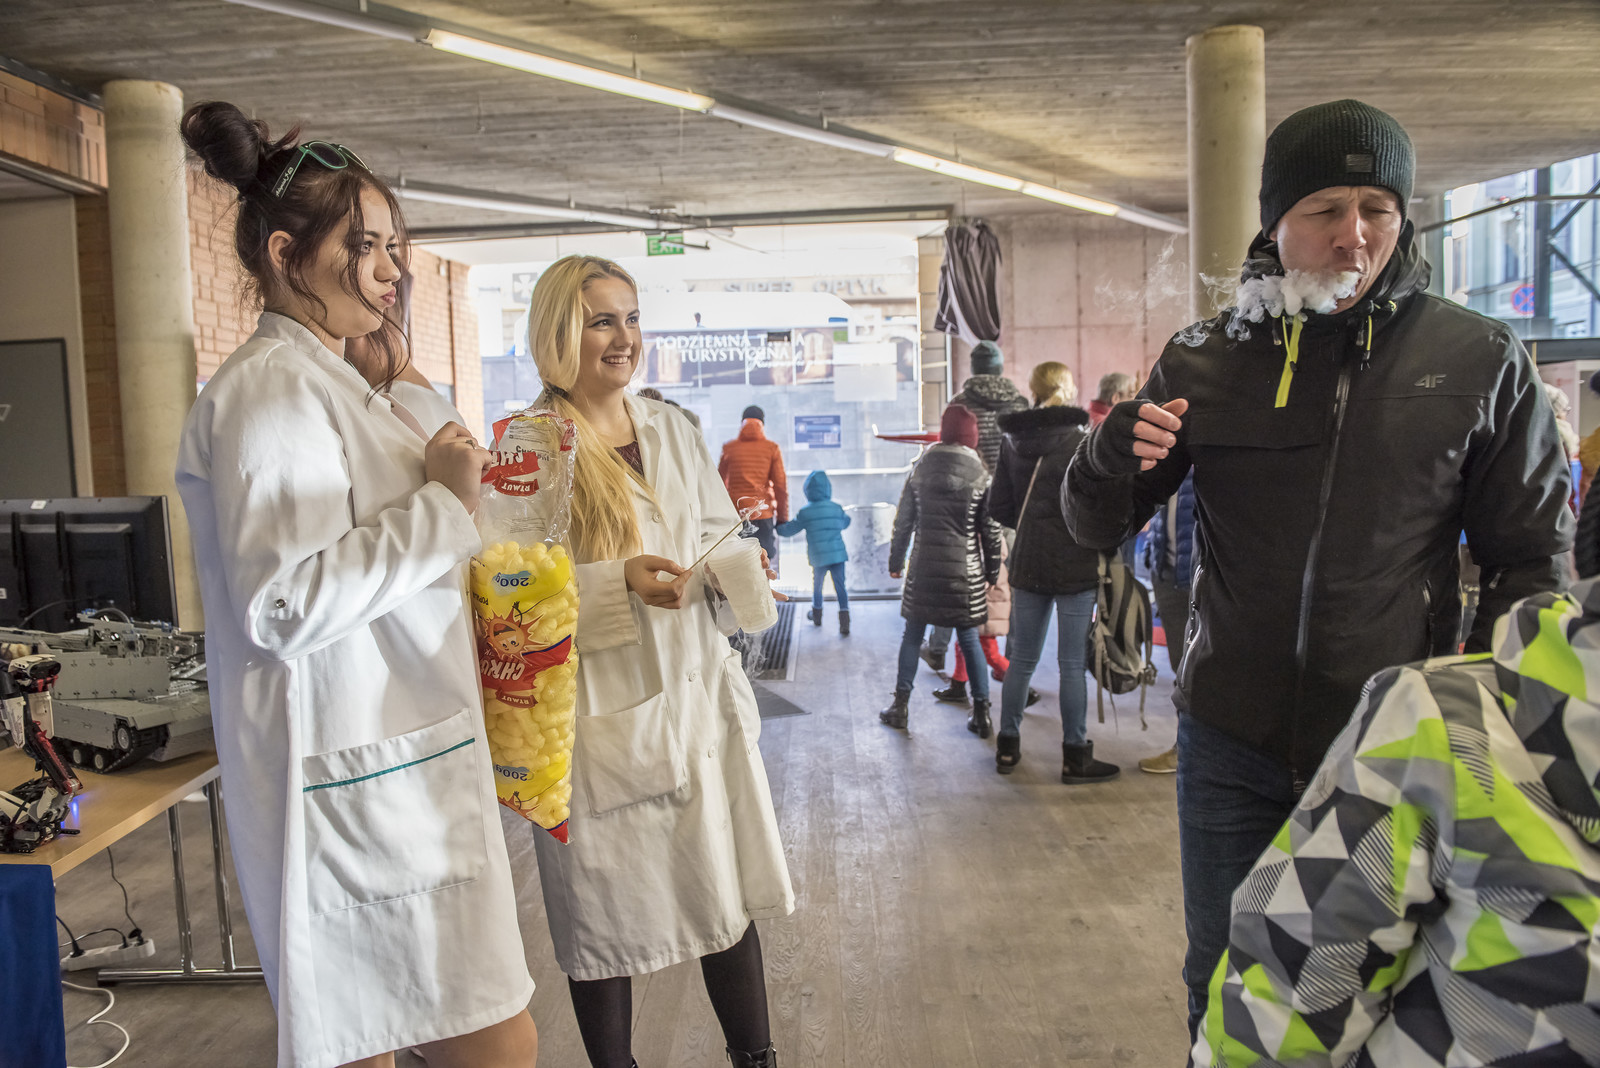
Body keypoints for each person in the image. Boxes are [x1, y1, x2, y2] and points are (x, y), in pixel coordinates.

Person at [1061, 98, 1574, 1042]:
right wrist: (1104, 456)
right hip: (1230, 737)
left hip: (1398, 748)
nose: (1355, 235)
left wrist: (1498, 725)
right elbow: (1095, 524)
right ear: (1274, 223)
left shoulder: (1477, 356)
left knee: (1383, 990)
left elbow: (1531, 562)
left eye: (1378, 209)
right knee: (1224, 981)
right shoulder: (1207, 358)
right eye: (1326, 210)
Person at [173, 102, 538, 1068]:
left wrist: (440, 454)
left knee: (397, 1040)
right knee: (474, 1043)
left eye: (393, 249)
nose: (389, 271)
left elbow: (420, 467)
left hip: (396, 766)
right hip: (351, 782)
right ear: (285, 254)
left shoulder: (338, 380)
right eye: (363, 247)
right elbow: (281, 604)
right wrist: (444, 505)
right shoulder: (268, 390)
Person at [523, 255, 792, 1068]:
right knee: (601, 925)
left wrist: (736, 565)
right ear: (558, 332)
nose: (624, 338)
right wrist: (617, 583)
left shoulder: (672, 428)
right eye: (601, 320)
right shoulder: (528, 448)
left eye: (632, 318)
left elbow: (712, 528)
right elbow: (507, 596)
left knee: (725, 900)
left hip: (697, 700)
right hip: (602, 717)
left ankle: (757, 1059)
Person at [1193, 580, 1600, 1067]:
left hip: (1395, 714)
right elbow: (1286, 982)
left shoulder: (1439, 719)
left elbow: (1524, 553)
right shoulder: (1441, 723)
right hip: (1231, 719)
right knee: (1217, 957)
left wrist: (1481, 668)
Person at [989, 362, 1117, 781]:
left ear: (1034, 389)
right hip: (1075, 562)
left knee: (1022, 660)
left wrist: (1031, 527)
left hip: (1028, 561)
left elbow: (999, 507)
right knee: (1071, 664)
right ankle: (1075, 756)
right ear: (1068, 387)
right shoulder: (1084, 441)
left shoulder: (1012, 441)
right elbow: (1099, 506)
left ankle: (1007, 748)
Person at [881, 404, 1002, 733]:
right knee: (970, 639)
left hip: (924, 571)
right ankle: (981, 714)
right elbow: (990, 532)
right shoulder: (981, 475)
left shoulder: (920, 470)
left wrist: (895, 562)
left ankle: (900, 707)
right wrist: (992, 573)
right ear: (972, 438)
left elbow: (903, 523)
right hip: (966, 575)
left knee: (912, 636)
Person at [922, 341, 1028, 674]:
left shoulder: (960, 403)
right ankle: (1011, 662)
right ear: (999, 367)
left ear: (974, 367)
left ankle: (938, 649)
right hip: (1012, 508)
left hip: (969, 504)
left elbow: (950, 452)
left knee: (956, 579)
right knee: (1009, 586)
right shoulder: (1020, 404)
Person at [1136, 471, 1196, 776]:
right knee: (1181, 670)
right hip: (1167, 573)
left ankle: (1195, 753)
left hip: (1198, 578)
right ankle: (1184, 749)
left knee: (1200, 671)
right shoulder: (1171, 460)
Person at [776, 470, 852, 635]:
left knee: (817, 586)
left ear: (807, 491)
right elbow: (846, 522)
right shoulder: (836, 508)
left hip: (819, 557)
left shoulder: (806, 512)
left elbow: (789, 530)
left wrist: (778, 527)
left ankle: (817, 616)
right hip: (838, 555)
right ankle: (845, 622)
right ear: (828, 488)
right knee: (841, 587)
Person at [718, 404, 789, 567]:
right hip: (763, 514)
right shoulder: (772, 448)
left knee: (738, 562)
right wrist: (782, 518)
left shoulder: (729, 448)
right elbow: (780, 487)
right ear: (762, 423)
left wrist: (720, 515)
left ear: (742, 422)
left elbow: (719, 484)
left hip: (737, 515)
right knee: (764, 562)